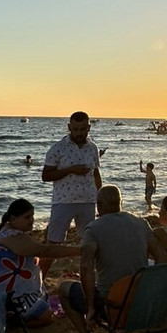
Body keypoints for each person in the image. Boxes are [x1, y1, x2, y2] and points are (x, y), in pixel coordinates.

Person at [57, 185, 167, 333]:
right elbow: (161, 256)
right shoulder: (141, 223)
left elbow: (86, 268)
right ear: (120, 203)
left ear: (99, 205)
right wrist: (152, 290)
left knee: (64, 289)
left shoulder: (93, 229)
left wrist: (91, 307)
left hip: (112, 306)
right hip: (140, 304)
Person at [0, 199, 80, 327]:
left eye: (32, 216)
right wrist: (80, 251)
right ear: (13, 219)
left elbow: (40, 250)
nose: (32, 220)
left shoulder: (5, 233)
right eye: (27, 217)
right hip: (6, 296)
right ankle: (12, 322)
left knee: (46, 306)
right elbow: (44, 251)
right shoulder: (12, 237)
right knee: (47, 316)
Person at [41, 111, 102, 273]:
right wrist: (71, 170)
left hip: (88, 201)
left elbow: (96, 173)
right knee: (53, 244)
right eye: (75, 129)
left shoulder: (93, 148)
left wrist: (101, 197)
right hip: (63, 201)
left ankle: (88, 280)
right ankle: (37, 282)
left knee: (89, 243)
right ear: (69, 127)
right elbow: (46, 176)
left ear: (88, 128)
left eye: (82, 129)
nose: (79, 133)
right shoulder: (58, 148)